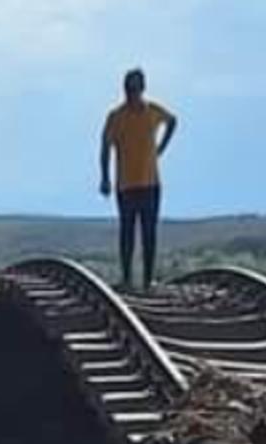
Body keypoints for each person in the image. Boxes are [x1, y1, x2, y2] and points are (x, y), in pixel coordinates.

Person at [99, 68, 177, 290]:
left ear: (142, 88)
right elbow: (105, 147)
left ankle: (148, 280)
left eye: (134, 88)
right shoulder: (116, 117)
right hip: (126, 185)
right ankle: (126, 278)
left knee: (149, 232)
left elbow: (173, 121)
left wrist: (160, 148)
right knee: (127, 233)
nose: (131, 93)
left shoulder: (153, 111)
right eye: (128, 89)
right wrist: (104, 177)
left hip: (150, 183)